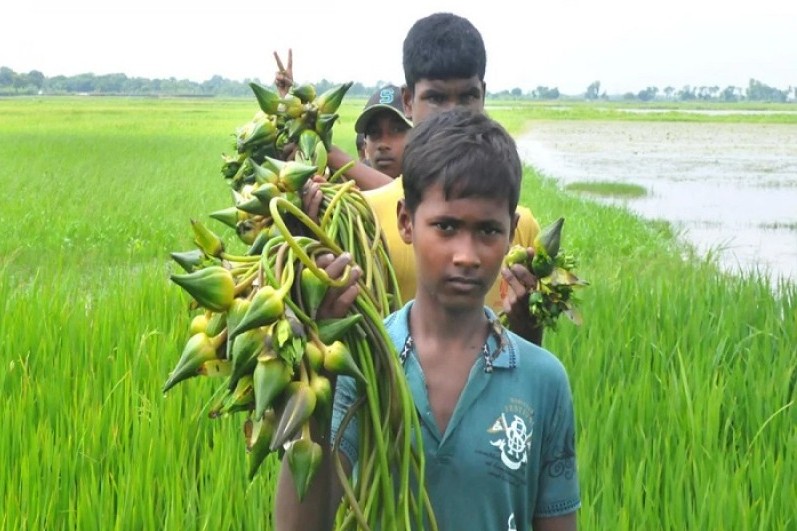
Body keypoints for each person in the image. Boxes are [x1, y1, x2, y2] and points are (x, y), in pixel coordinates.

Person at [275, 108, 580, 531]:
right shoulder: (360, 363)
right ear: (406, 221)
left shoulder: (544, 379)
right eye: (446, 226)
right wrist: (311, 373)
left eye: (488, 231)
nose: (467, 255)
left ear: (511, 232)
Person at [362, 12, 546, 345]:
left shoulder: (521, 229)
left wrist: (530, 324)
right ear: (407, 101)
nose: (453, 113)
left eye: (467, 97)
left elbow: (526, 360)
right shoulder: (364, 218)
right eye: (435, 98)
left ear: (483, 96)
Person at [354, 85, 412, 179]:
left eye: (396, 130)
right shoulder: (347, 189)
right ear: (365, 145)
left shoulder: (434, 186)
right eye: (374, 132)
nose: (383, 144)